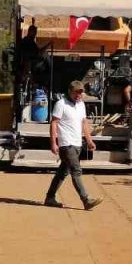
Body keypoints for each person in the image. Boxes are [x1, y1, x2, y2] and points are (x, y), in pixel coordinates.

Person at [44, 81, 103, 211]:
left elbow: (84, 123)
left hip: (77, 144)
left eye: (81, 92)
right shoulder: (61, 104)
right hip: (66, 144)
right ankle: (86, 200)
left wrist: (89, 141)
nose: (79, 95)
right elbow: (54, 123)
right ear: (70, 91)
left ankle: (50, 197)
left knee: (62, 172)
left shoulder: (81, 104)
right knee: (76, 171)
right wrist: (53, 143)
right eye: (76, 92)